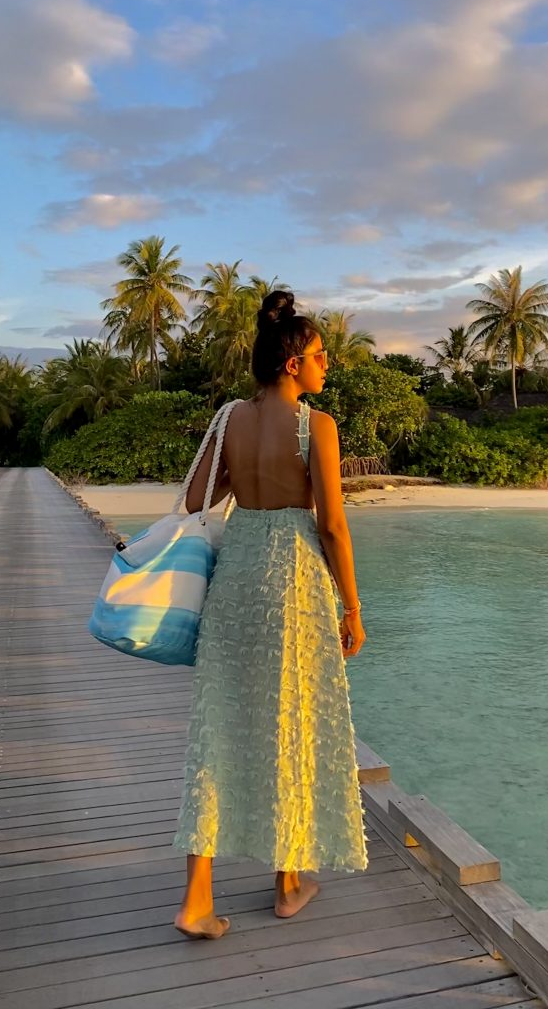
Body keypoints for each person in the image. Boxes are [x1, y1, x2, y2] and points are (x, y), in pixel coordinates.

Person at [171, 290, 368, 939]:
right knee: (293, 717)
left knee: (220, 724)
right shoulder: (319, 427)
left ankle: (197, 900)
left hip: (238, 576)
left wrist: (245, 475)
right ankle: (287, 882)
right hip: (293, 579)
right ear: (293, 366)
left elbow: (198, 497)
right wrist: (353, 607)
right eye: (320, 356)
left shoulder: (229, 419)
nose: (327, 366)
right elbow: (333, 526)